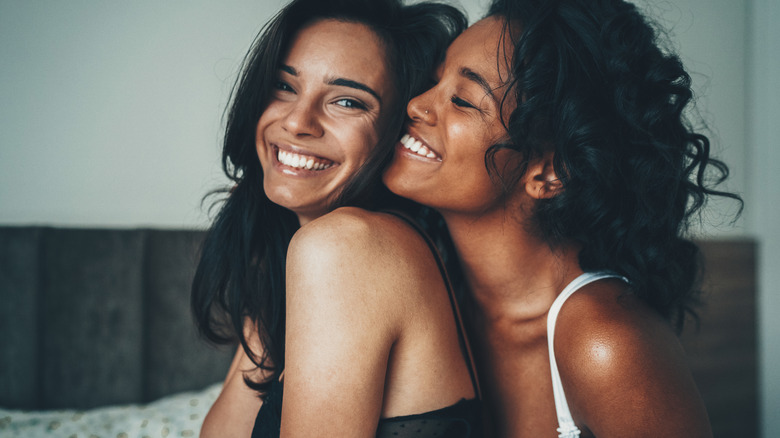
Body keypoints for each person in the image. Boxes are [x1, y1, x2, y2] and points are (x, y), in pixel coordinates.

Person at [383, 0, 742, 436]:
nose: (417, 104)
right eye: (434, 79)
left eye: (462, 99)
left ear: (549, 172)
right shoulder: (425, 291)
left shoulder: (607, 343)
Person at [191, 0, 482, 436]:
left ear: (395, 133)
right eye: (283, 86)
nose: (297, 122)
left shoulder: (347, 248)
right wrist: (266, 262)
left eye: (346, 101)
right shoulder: (312, 248)